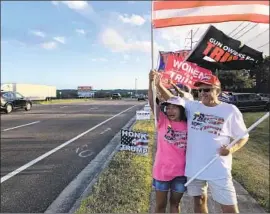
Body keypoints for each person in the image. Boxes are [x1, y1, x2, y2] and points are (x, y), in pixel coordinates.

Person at [162, 73, 249, 213]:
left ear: (218, 91)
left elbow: (243, 137)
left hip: (218, 169)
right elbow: (171, 99)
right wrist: (157, 84)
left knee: (229, 208)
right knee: (199, 202)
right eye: (200, 90)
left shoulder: (230, 110)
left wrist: (231, 149)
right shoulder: (193, 106)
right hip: (194, 168)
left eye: (207, 90)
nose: (202, 93)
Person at [148, 70, 188, 213]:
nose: (170, 111)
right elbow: (152, 102)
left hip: (181, 173)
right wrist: (151, 82)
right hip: (162, 171)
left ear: (182, 109)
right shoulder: (162, 121)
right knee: (159, 206)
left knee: (175, 205)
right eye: (168, 107)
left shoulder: (188, 124)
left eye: (174, 107)